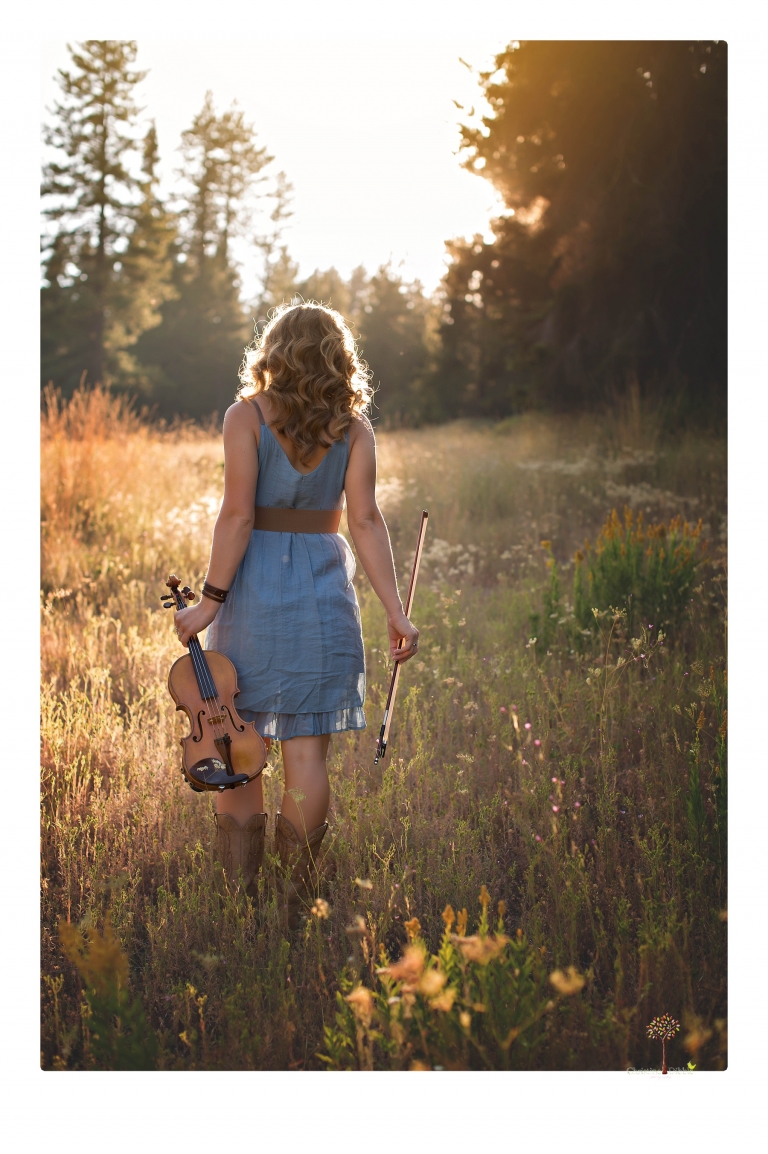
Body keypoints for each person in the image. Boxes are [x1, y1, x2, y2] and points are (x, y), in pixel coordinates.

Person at [174, 302, 419, 927]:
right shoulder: (355, 429)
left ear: (274, 350)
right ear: (339, 357)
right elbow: (364, 520)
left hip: (253, 595)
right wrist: (396, 612)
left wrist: (208, 603)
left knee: (239, 747)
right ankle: (296, 904)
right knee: (307, 757)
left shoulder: (245, 417)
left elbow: (238, 515)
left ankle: (240, 904)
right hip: (322, 600)